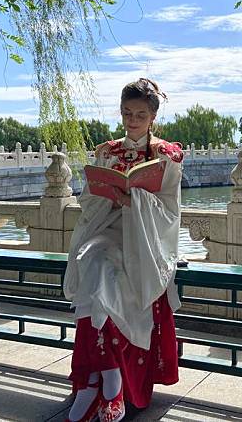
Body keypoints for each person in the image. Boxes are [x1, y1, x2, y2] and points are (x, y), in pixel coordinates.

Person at [63, 78, 184, 422]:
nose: (132, 121)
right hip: (109, 229)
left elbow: (171, 209)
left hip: (146, 241)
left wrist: (138, 199)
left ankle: (97, 380)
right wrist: (111, 194)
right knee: (92, 261)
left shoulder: (167, 155)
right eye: (127, 113)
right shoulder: (106, 151)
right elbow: (88, 200)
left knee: (100, 279)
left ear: (153, 117)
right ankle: (107, 379)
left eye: (140, 115)